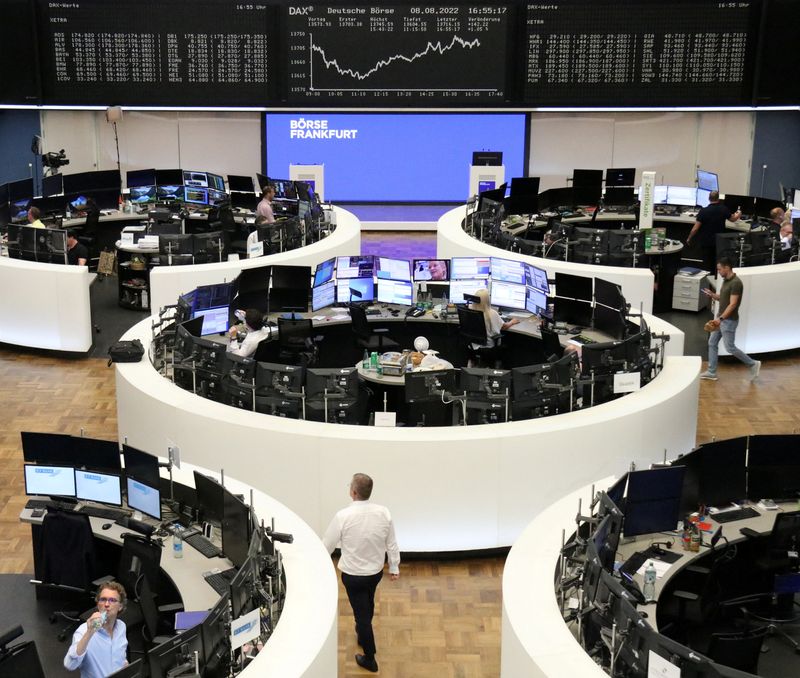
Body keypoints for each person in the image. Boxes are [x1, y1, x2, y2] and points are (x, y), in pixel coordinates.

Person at [323, 473, 400, 674]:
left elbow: (327, 545)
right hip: (375, 573)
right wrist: (394, 567)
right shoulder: (384, 512)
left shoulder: (343, 516)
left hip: (353, 576)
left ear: (353, 492)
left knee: (362, 615)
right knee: (368, 603)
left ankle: (370, 658)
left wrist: (321, 563)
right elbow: (391, 543)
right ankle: (362, 630)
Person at [699, 256, 760, 382]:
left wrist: (720, 319)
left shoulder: (736, 283)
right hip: (721, 319)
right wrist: (713, 295)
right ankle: (711, 372)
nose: (718, 272)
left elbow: (732, 304)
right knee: (712, 343)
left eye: (720, 269)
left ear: (727, 268)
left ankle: (753, 364)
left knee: (730, 347)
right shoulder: (726, 280)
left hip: (728, 321)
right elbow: (725, 298)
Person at [64, 581, 128, 678]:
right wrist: (90, 632)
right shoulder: (84, 630)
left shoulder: (121, 627)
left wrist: (125, 666)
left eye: (112, 600)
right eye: (103, 599)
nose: (107, 604)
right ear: (98, 604)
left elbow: (120, 657)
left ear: (120, 606)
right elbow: (70, 665)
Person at [686, 191, 741, 273]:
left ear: (709, 199)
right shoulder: (723, 209)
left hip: (706, 243)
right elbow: (733, 219)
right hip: (719, 243)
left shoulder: (703, 211)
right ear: (718, 199)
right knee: (718, 264)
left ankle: (707, 278)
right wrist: (739, 214)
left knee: (707, 264)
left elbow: (695, 229)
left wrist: (689, 238)